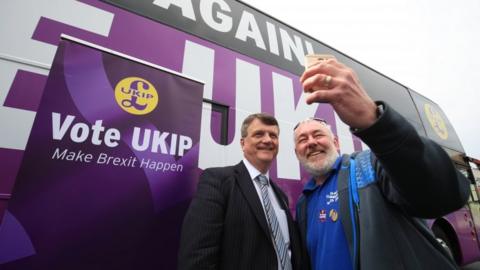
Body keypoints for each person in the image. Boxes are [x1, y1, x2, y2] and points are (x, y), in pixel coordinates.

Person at [294, 58, 469, 270]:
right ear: (297, 152)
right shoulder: (304, 202)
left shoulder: (368, 167)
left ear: (336, 143)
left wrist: (373, 120)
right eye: (303, 140)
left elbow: (442, 194)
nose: (311, 142)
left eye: (317, 135)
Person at [178, 113, 302, 270]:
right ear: (243, 143)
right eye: (259, 134)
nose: (267, 140)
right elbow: (198, 255)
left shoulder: (280, 195)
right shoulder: (217, 181)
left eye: (273, 135)